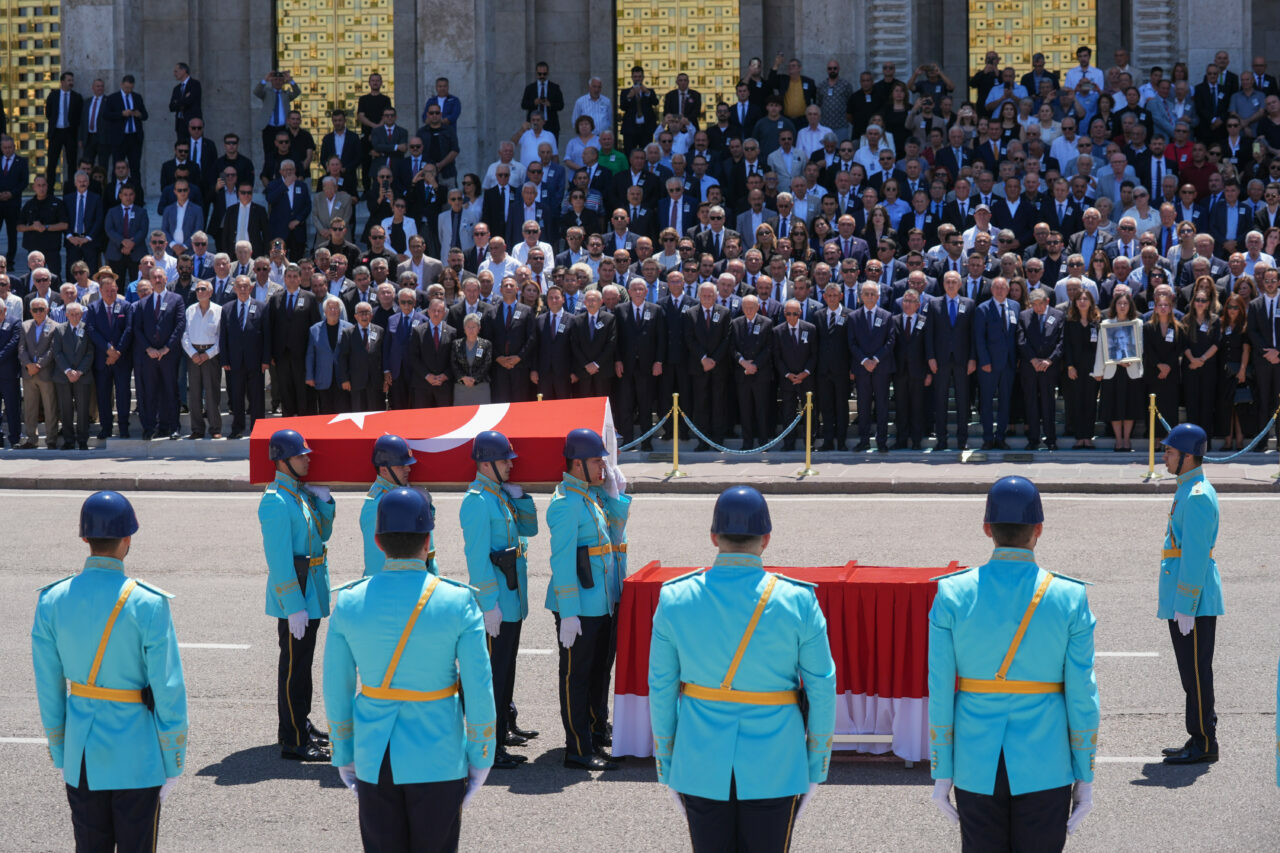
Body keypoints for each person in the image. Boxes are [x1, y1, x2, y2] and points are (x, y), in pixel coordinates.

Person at [650, 485, 835, 852]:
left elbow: (661, 687)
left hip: (700, 758)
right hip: (776, 762)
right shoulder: (798, 599)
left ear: (714, 537)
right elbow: (822, 688)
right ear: (766, 539)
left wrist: (668, 763)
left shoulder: (675, 597)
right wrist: (817, 765)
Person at [929, 475, 1099, 851]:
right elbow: (1082, 694)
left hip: (975, 760)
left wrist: (942, 769)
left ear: (987, 528)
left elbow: (939, 688)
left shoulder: (951, 592)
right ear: (1039, 529)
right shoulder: (1069, 596)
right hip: (1047, 758)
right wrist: (1084, 771)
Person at [324, 485, 495, 853]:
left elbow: (336, 685)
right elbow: (480, 687)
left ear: (378, 541)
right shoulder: (457, 600)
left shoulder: (350, 601)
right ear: (428, 538)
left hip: (374, 755)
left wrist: (343, 751)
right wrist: (482, 754)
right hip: (439, 754)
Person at [31, 491, 188, 852]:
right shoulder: (148, 602)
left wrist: (61, 750)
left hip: (82, 753)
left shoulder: (51, 600)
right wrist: (173, 757)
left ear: (85, 538)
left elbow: (48, 686)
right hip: (138, 753)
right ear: (128, 538)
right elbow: (168, 688)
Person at [546, 428, 630, 770]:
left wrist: (616, 494)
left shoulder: (593, 495)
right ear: (577, 463)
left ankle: (596, 734)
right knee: (576, 677)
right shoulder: (566, 503)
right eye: (597, 461)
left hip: (603, 600)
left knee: (599, 674)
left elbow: (614, 536)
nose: (604, 468)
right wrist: (568, 613)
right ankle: (578, 749)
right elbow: (562, 562)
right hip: (579, 606)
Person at [461, 430, 540, 770]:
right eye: (505, 459)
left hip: (511, 599)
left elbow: (531, 530)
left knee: (506, 668)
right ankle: (488, 747)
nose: (511, 464)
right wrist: (487, 602)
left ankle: (504, 728)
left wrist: (520, 497)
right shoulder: (477, 501)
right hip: (496, 603)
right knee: (491, 675)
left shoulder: (500, 495)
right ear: (486, 463)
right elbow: (477, 558)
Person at [257, 428, 335, 762]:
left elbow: (323, 534)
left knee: (303, 666)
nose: (307, 459)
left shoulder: (298, 495)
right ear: (283, 459)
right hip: (297, 597)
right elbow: (278, 561)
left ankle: (299, 722)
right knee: (294, 669)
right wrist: (293, 606)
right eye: (300, 455)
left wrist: (326, 503)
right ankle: (292, 738)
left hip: (311, 592)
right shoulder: (275, 501)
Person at [1157, 423, 1224, 764]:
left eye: (1169, 452)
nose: (1164, 456)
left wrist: (1185, 604)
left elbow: (1195, 557)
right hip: (1188, 600)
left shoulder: (1196, 495)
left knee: (1196, 674)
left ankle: (1204, 743)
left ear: (1187, 457)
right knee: (1191, 673)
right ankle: (1197, 735)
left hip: (1193, 602)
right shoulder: (1188, 487)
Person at [50, 301, 95, 449]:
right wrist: (68, 371)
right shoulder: (59, 330)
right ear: (67, 315)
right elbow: (57, 352)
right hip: (64, 376)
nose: (75, 317)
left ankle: (82, 439)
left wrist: (80, 371)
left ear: (82, 315)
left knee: (82, 409)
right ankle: (69, 440)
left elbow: (90, 353)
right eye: (72, 314)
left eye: (78, 314)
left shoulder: (87, 329)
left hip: (83, 375)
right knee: (65, 408)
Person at [451, 312, 492, 404]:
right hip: (461, 388)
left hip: (481, 388)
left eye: (474, 327)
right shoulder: (456, 344)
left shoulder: (486, 344)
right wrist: (463, 378)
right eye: (468, 327)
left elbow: (487, 364)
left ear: (479, 328)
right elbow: (453, 364)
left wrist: (475, 379)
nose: (471, 330)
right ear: (464, 329)